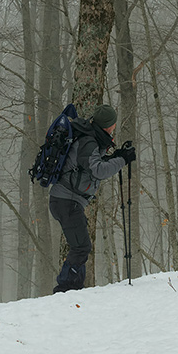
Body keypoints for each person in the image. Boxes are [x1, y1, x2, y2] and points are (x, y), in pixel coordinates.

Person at [48, 103, 135, 293]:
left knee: (81, 246)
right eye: (113, 124)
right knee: (81, 247)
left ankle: (73, 288)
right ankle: (65, 290)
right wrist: (122, 160)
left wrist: (117, 156)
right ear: (108, 125)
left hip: (67, 200)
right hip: (66, 200)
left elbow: (91, 165)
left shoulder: (91, 137)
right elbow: (98, 170)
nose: (114, 127)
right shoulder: (88, 141)